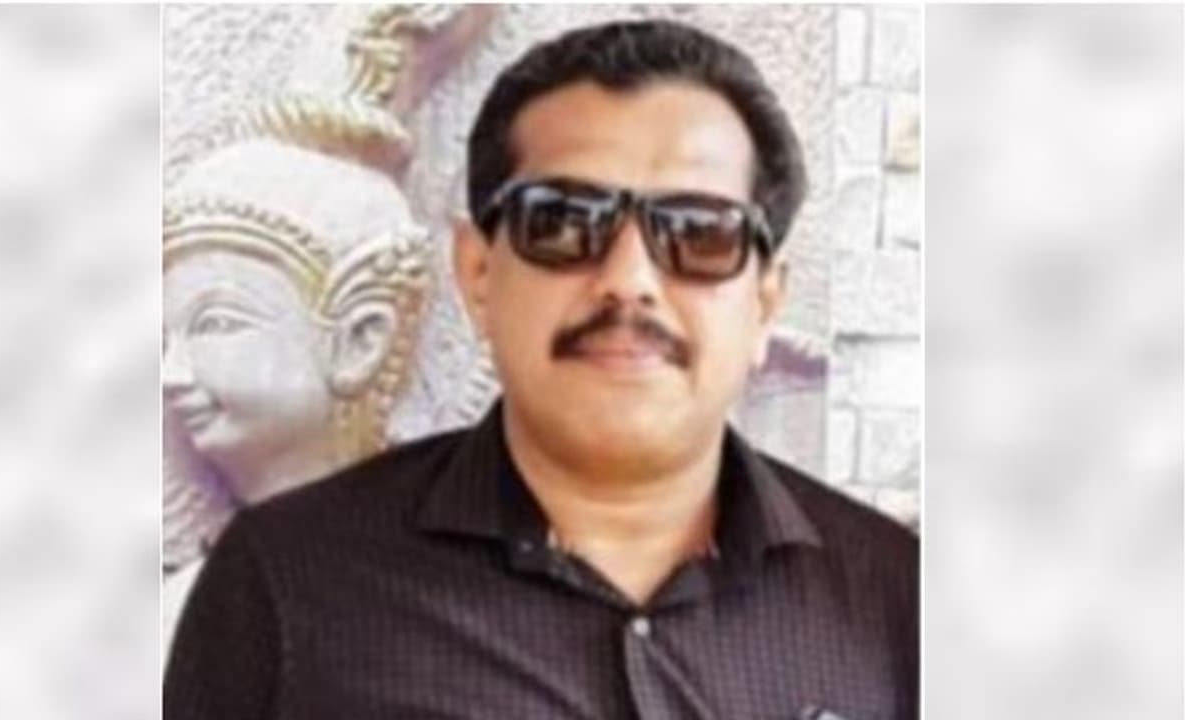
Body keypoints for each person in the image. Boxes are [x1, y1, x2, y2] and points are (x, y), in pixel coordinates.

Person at [164, 19, 917, 720]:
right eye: (561, 222)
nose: (630, 281)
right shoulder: (288, 582)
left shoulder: (896, 600)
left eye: (699, 232)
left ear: (765, 301)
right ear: (478, 274)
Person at [160, 136, 429, 651]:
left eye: (216, 324)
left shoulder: (454, 594)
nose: (171, 375)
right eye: (166, 342)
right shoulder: (187, 611)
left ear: (360, 340)